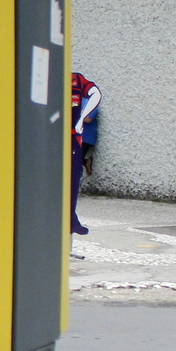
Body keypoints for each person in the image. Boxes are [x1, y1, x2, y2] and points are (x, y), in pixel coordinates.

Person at [70, 72, 100, 235]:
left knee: (73, 177)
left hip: (78, 138)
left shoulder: (78, 82)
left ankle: (71, 220)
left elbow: (94, 94)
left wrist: (80, 118)